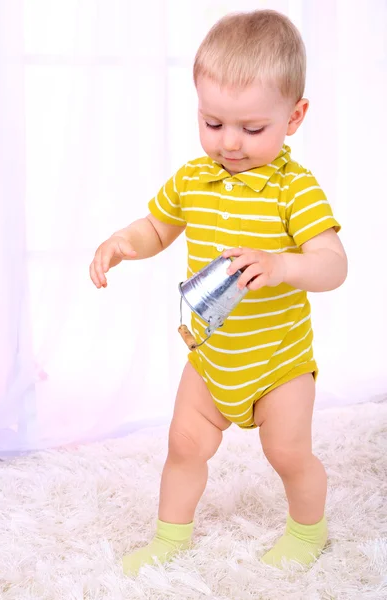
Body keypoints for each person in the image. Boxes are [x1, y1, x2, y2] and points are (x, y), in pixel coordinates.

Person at [89, 9, 347, 576]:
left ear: (295, 116)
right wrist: (121, 242)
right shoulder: (192, 178)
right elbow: (157, 227)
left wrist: (283, 263)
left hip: (279, 360)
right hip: (211, 358)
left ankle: (308, 532)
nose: (229, 143)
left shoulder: (293, 189)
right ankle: (169, 537)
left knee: (288, 453)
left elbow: (333, 265)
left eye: (252, 129)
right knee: (184, 446)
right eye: (212, 122)